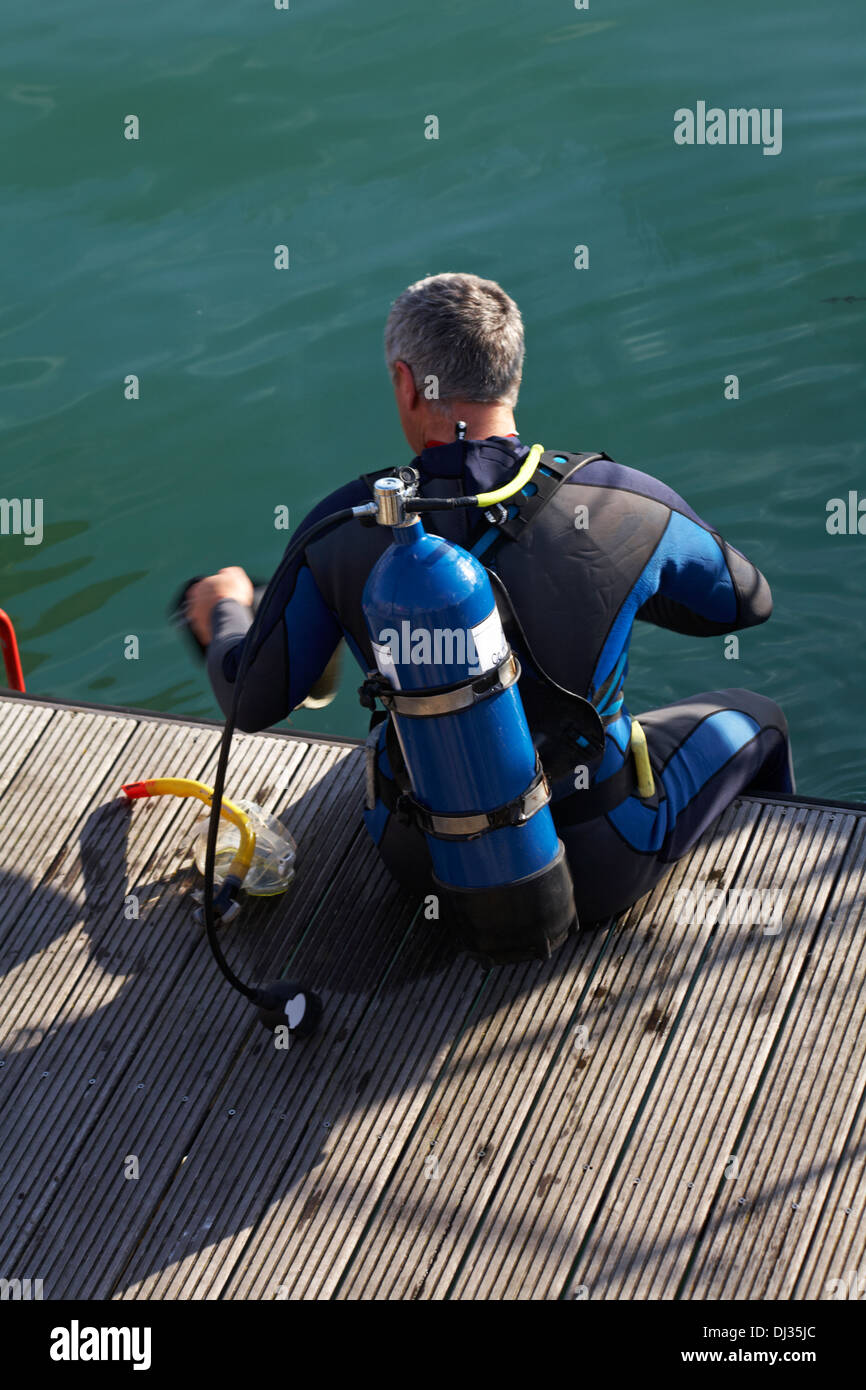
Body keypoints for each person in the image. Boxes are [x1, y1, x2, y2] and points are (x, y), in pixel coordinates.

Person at [186, 272, 794, 929]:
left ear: (406, 382)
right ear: (512, 373)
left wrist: (223, 605)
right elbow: (742, 603)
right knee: (758, 717)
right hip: (600, 860)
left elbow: (251, 698)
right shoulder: (625, 502)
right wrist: (614, 586)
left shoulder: (345, 526)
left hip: (422, 870)